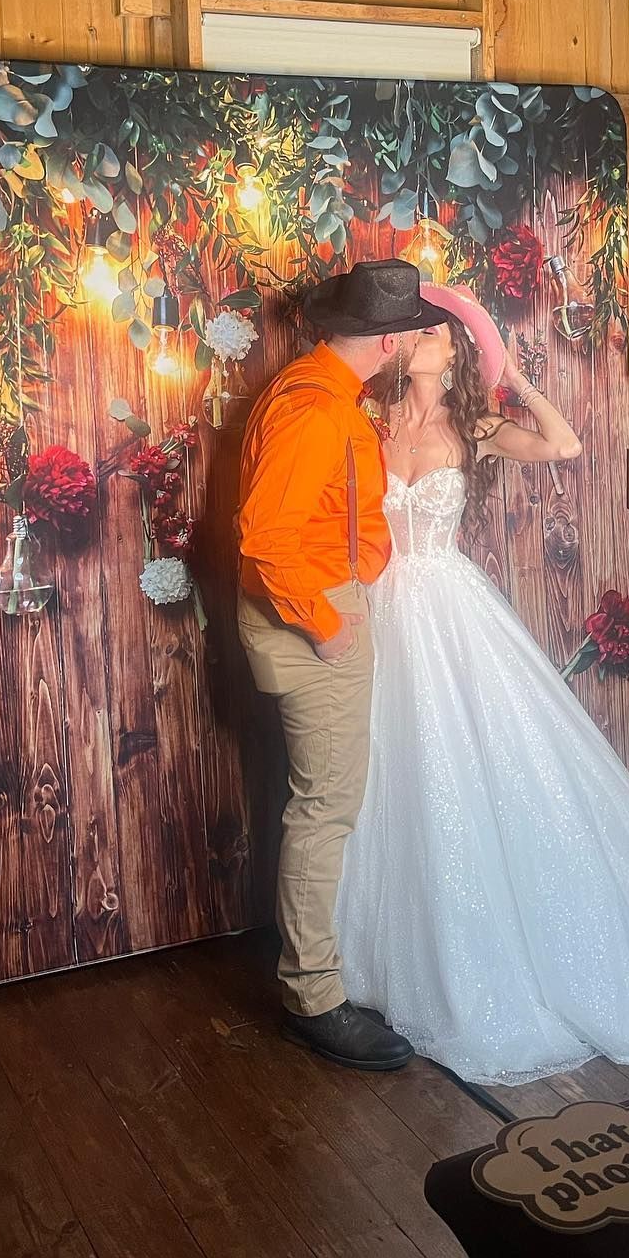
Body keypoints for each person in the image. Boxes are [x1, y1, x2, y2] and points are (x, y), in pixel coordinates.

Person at [335, 280, 629, 1086]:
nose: (422, 340)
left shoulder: (475, 426)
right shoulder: (371, 420)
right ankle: (377, 961)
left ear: (454, 354)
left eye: (436, 334)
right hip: (379, 603)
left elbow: (564, 445)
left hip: (448, 609)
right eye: (419, 333)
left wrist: (514, 378)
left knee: (463, 764)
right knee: (385, 772)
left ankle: (493, 961)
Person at [236, 259, 437, 1071]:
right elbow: (265, 538)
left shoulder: (325, 391)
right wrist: (326, 627)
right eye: (410, 331)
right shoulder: (315, 408)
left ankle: (322, 977)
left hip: (326, 598)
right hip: (311, 613)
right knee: (324, 810)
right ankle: (314, 998)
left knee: (328, 803)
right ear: (388, 343)